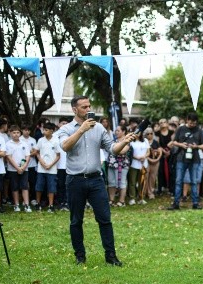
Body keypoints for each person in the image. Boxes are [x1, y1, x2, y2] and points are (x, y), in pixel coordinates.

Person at [57, 95, 135, 266]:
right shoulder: (67, 129)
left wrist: (124, 141)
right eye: (84, 107)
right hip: (75, 180)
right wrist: (81, 130)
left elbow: (113, 149)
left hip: (96, 180)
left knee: (105, 219)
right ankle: (80, 256)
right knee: (76, 220)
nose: (88, 109)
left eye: (89, 106)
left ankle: (111, 256)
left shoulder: (99, 128)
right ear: (74, 109)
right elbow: (65, 147)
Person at [166, 113, 203, 210]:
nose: (192, 125)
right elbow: (174, 142)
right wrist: (181, 145)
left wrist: (195, 146)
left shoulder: (199, 131)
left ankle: (195, 203)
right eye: (191, 122)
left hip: (195, 159)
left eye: (194, 123)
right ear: (187, 120)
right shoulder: (181, 129)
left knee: (194, 181)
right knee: (179, 181)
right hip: (181, 158)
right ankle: (176, 203)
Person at [34, 122, 60, 212]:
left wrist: (50, 165)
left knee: (51, 187)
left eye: (46, 130)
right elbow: (37, 152)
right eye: (43, 129)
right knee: (39, 186)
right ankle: (37, 203)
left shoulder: (56, 141)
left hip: (52, 169)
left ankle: (51, 205)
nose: (44, 131)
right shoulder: (41, 140)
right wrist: (41, 162)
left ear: (52, 131)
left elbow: (58, 155)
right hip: (41, 168)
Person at [5, 126, 32, 212]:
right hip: (13, 169)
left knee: (25, 186)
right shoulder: (8, 144)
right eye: (14, 133)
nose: (16, 134)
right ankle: (16, 205)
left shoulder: (24, 143)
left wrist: (23, 167)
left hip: (24, 169)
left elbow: (28, 156)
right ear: (10, 133)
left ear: (20, 133)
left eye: (17, 133)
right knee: (14, 187)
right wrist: (17, 168)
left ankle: (27, 204)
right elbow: (9, 157)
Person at [106, 125, 131, 207]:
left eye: (118, 130)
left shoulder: (127, 141)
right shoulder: (114, 141)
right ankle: (111, 200)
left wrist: (115, 149)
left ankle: (122, 201)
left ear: (123, 132)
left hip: (122, 164)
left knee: (122, 182)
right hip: (112, 163)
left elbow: (122, 151)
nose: (116, 132)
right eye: (116, 130)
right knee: (111, 182)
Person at [127, 128, 149, 205]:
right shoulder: (130, 142)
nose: (137, 134)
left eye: (138, 132)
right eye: (135, 132)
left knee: (142, 181)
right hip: (134, 164)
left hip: (143, 164)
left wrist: (144, 157)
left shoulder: (145, 140)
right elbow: (129, 153)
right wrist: (137, 158)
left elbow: (148, 152)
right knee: (132, 182)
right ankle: (132, 198)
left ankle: (141, 198)